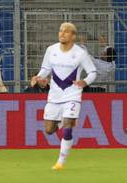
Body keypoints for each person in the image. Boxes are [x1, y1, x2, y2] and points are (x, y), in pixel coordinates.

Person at [30, 23, 96, 168]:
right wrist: (38, 77)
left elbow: (92, 72)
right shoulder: (51, 50)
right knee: (49, 129)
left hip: (72, 95)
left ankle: (61, 162)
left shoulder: (80, 53)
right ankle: (67, 120)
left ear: (73, 36)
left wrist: (84, 82)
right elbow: (45, 69)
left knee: (68, 127)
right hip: (54, 97)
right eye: (60, 31)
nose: (62, 34)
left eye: (66, 32)